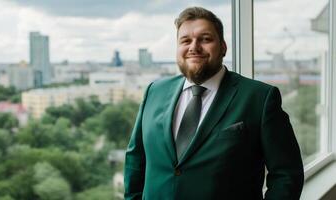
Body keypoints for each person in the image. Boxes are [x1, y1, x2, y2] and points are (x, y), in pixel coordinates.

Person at [124, 7, 304, 200]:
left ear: (223, 47)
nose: (194, 47)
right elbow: (136, 160)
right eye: (185, 40)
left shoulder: (260, 98)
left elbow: (287, 174)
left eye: (205, 39)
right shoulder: (154, 92)